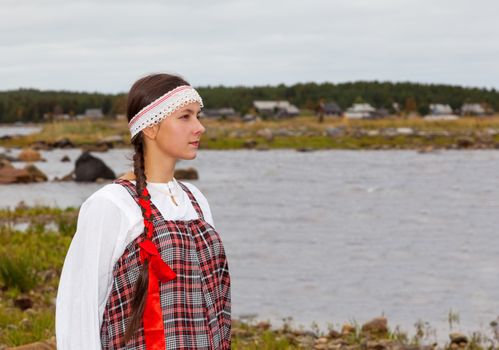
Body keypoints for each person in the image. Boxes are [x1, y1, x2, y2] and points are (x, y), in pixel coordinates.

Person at [56, 73, 231, 349]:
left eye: (198, 116)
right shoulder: (111, 204)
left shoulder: (195, 200)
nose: (199, 127)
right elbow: (80, 308)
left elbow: (213, 303)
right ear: (150, 128)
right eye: (185, 117)